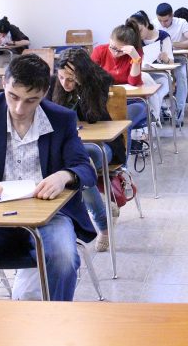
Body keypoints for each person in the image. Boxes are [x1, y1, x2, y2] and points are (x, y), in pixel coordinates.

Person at [0, 54, 97, 301]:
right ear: (3, 83)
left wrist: (63, 176)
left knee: (64, 261)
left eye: (31, 100)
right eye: (13, 96)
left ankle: (56, 321)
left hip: (50, 215)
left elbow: (85, 169)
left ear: (44, 93)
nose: (19, 109)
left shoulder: (61, 118)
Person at [47, 48, 128, 252]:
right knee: (77, 164)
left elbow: (93, 116)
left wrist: (81, 87)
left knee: (83, 161)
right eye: (62, 77)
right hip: (72, 148)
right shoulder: (53, 84)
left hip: (102, 146)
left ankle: (103, 226)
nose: (65, 84)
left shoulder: (98, 82)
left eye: (71, 79)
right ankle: (102, 211)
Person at [90, 22, 147, 150]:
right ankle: (107, 155)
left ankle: (121, 159)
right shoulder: (100, 51)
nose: (115, 53)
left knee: (123, 123)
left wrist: (135, 58)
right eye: (113, 48)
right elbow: (91, 78)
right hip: (107, 101)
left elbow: (133, 82)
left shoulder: (135, 54)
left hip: (133, 101)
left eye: (120, 51)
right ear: (109, 40)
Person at [128, 11, 173, 123]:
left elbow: (171, 62)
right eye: (135, 32)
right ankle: (154, 115)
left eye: (140, 30)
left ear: (146, 24)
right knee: (146, 82)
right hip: (143, 75)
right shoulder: (135, 41)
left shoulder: (163, 36)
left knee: (157, 92)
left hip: (162, 75)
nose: (138, 35)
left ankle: (154, 116)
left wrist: (166, 59)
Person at [155, 3, 188, 125]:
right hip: (160, 61)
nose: (163, 24)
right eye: (160, 20)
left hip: (178, 58)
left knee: (182, 76)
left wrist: (171, 44)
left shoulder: (181, 22)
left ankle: (179, 113)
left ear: (172, 16)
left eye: (166, 20)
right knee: (153, 78)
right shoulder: (153, 24)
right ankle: (160, 110)